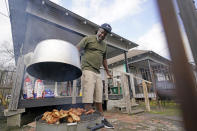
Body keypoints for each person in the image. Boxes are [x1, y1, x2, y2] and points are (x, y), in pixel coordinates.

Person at [77, 23, 114, 129]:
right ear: (98, 30)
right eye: (102, 32)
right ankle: (89, 121)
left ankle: (102, 119)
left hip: (98, 72)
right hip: (87, 70)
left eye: (105, 34)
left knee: (98, 98)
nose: (102, 35)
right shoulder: (88, 39)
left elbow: (104, 59)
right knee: (88, 97)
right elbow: (77, 48)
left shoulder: (104, 45)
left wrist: (107, 72)